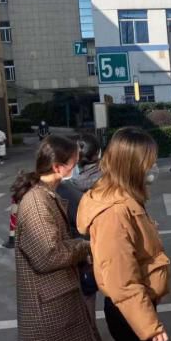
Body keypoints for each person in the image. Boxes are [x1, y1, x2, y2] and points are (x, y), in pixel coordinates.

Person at [12, 136, 109, 341]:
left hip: (58, 297)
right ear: (57, 167)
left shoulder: (46, 193)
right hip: (48, 306)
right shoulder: (37, 203)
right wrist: (85, 246)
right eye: (73, 162)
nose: (76, 166)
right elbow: (49, 256)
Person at [77, 127, 170, 341]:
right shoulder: (115, 212)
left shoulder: (125, 197)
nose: (154, 167)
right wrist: (148, 325)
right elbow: (121, 280)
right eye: (149, 162)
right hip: (130, 310)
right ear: (132, 165)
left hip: (134, 304)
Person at [56, 133, 103, 320]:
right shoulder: (112, 179)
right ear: (98, 154)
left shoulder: (65, 189)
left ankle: (90, 331)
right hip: (109, 247)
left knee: (86, 295)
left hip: (82, 252)